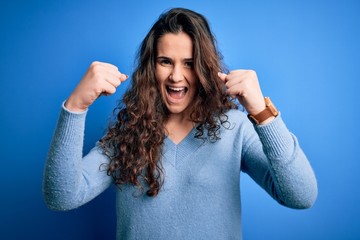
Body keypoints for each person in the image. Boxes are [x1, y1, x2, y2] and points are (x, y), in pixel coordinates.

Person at [43, 7, 317, 239]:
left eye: (189, 63)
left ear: (205, 68)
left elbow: (301, 195)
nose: (176, 76)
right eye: (165, 61)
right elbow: (61, 196)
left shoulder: (234, 128)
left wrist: (261, 111)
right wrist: (75, 106)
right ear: (151, 67)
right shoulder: (127, 134)